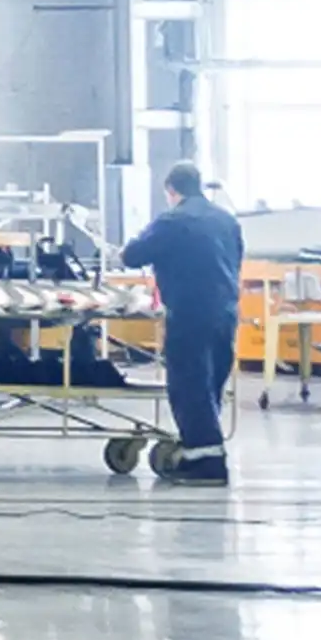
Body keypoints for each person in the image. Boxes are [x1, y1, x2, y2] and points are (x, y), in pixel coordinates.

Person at [123, 160, 243, 486]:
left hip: (190, 312)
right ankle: (202, 449)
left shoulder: (171, 221)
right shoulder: (227, 220)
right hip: (226, 311)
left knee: (189, 384)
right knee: (210, 383)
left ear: (171, 191)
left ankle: (207, 464)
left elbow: (131, 255)